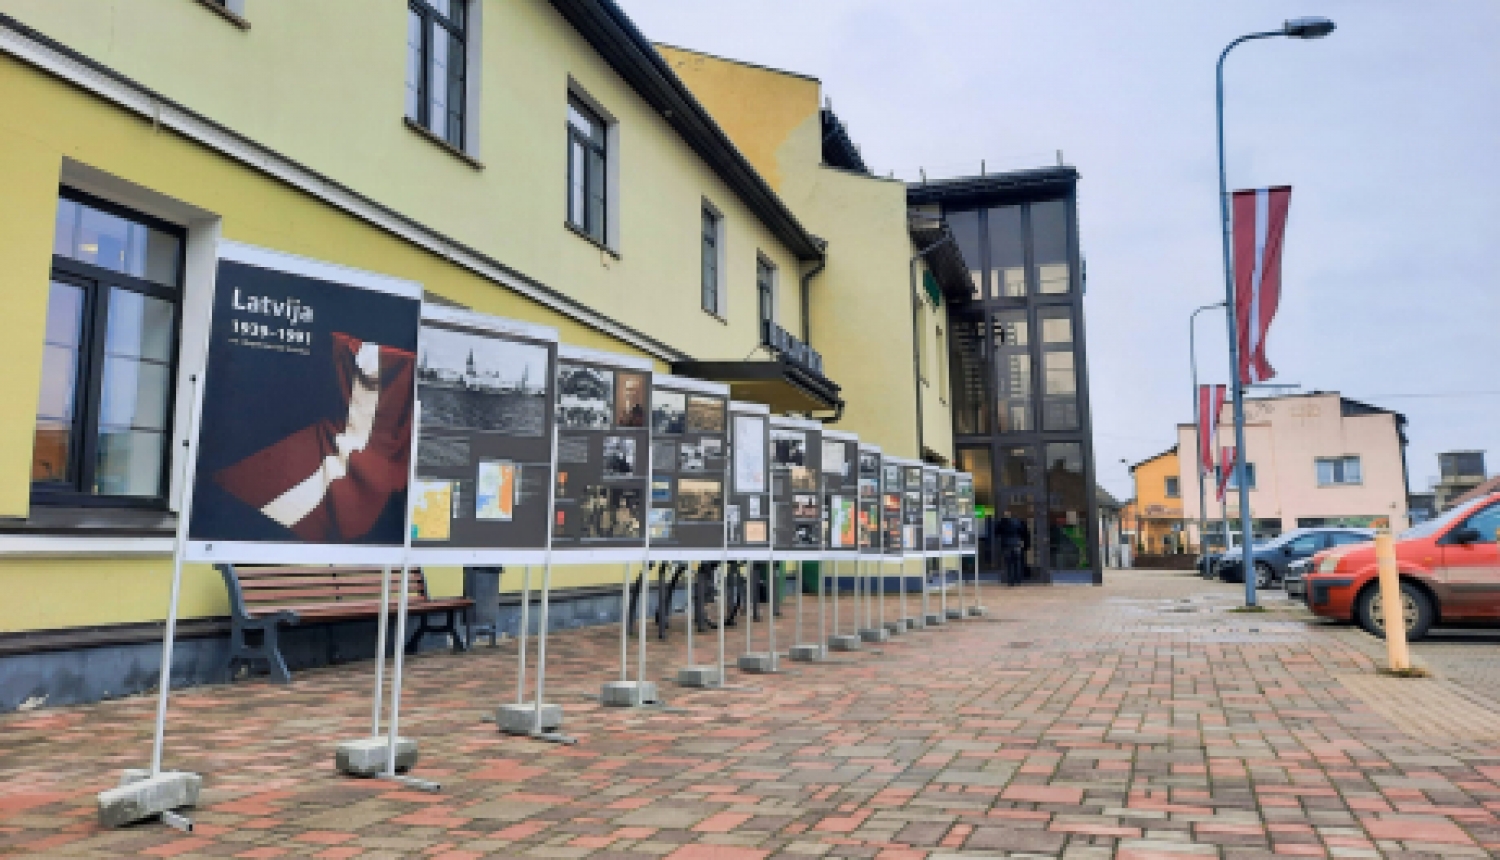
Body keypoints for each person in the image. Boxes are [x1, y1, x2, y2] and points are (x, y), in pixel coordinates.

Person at [996, 513, 1030, 586]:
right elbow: (1025, 533)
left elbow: (997, 532)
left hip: (1007, 545)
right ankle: (1018, 580)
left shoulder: (1003, 522)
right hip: (1017, 544)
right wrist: (1025, 545)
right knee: (1017, 563)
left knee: (1009, 564)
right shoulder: (1019, 522)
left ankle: (1011, 581)